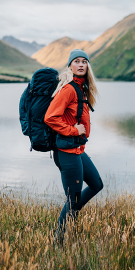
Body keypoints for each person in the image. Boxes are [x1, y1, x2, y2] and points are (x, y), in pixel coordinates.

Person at [44, 49, 104, 243]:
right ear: (70, 66)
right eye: (76, 61)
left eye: (84, 62)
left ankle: (72, 218)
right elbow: (50, 117)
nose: (80, 65)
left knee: (96, 184)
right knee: (73, 200)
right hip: (66, 152)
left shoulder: (81, 88)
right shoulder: (69, 89)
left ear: (88, 66)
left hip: (77, 150)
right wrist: (73, 130)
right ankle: (58, 242)